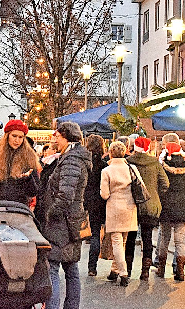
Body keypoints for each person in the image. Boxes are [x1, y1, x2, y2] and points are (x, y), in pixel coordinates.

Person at [44, 122, 92, 309]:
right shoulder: (73, 156)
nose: (54, 138)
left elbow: (66, 194)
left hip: (63, 222)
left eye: (57, 135)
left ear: (65, 136)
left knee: (54, 267)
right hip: (72, 219)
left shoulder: (71, 159)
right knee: (71, 267)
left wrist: (51, 213)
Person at [125, 137, 169, 280]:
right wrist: (156, 193)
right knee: (147, 237)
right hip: (150, 204)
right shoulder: (155, 163)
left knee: (130, 237)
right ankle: (145, 271)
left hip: (132, 204)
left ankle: (128, 269)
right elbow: (165, 184)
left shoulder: (129, 162)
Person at [100, 141, 138, 287]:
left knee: (116, 241)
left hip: (114, 207)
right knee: (123, 241)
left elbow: (104, 194)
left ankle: (123, 273)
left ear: (110, 153)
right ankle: (114, 271)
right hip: (130, 207)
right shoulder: (131, 168)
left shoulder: (107, 171)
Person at [157, 141, 185, 281]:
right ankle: (180, 271)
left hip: (166, 205)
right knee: (180, 240)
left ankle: (161, 269)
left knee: (165, 239)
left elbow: (159, 185)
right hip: (183, 205)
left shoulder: (162, 166)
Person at [0, 119, 40, 205]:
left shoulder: (29, 157)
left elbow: (34, 192)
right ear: (7, 136)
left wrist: (27, 179)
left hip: (19, 209)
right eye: (14, 136)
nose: (17, 140)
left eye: (20, 137)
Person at [83, 134, 107, 277]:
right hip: (99, 201)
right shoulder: (104, 165)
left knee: (79, 233)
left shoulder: (85, 164)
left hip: (84, 201)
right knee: (96, 234)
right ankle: (92, 267)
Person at [35, 138, 60, 231]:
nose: (46, 151)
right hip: (45, 201)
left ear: (54, 150)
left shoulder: (54, 163)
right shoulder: (47, 162)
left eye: (49, 148)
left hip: (48, 202)